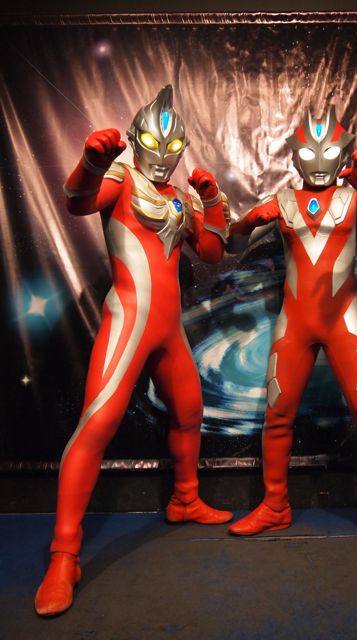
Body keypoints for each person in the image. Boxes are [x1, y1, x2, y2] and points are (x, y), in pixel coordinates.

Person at [35, 85, 232, 616]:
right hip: (129, 319)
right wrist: (91, 163)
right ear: (136, 137)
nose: (163, 154)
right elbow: (77, 203)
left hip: (169, 328)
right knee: (96, 424)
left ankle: (185, 499)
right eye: (153, 141)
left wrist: (212, 200)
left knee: (189, 412)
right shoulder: (122, 177)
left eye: (174, 145)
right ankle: (64, 555)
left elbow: (211, 251)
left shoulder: (181, 197)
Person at [228, 105, 357, 570]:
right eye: (309, 153)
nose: (319, 163)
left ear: (342, 155)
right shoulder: (282, 202)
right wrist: (243, 219)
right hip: (295, 324)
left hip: (343, 321)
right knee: (277, 416)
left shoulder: (352, 198)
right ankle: (275, 506)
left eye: (328, 153)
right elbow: (232, 243)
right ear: (295, 156)